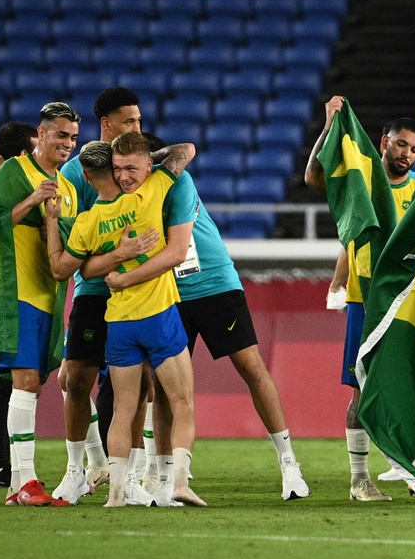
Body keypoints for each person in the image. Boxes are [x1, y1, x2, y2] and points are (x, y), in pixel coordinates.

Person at [126, 132, 310, 501]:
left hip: (213, 284)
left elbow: (184, 151)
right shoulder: (126, 195)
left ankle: (289, 464)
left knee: (251, 368)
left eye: (137, 163)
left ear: (151, 161)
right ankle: (162, 479)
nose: (128, 174)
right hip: (169, 293)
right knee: (162, 387)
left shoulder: (177, 180)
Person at [305, 96, 415, 501]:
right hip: (366, 300)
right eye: (401, 144)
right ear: (383, 142)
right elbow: (314, 178)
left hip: (412, 302)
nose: (407, 154)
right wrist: (331, 124)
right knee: (361, 391)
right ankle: (359, 480)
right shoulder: (361, 181)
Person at [47, 136, 200, 507]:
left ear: (85, 175)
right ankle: (177, 482)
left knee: (123, 408)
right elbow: (186, 151)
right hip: (157, 314)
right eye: (120, 169)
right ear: (113, 171)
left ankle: (116, 491)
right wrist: (150, 162)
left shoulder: (88, 221)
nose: (126, 175)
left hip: (117, 319)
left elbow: (60, 269)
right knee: (182, 402)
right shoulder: (148, 193)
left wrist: (52, 221)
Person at [0, 102, 82, 507]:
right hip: (15, 293)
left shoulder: (67, 187)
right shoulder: (15, 172)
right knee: (25, 382)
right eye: (60, 135)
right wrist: (32, 201)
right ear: (42, 134)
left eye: (72, 137)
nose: (67, 143)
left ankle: (19, 483)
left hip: (47, 294)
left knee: (32, 383)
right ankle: (27, 482)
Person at [50, 88, 154, 504]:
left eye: (140, 122)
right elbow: (75, 247)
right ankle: (78, 470)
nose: (137, 129)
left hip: (140, 287)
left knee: (141, 383)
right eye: (129, 122)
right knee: (75, 378)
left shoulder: (141, 164)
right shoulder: (77, 174)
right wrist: (115, 253)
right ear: (106, 124)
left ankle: (133, 473)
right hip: (93, 290)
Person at [0, 121, 38, 489]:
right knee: (3, 379)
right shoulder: (2, 173)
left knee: (14, 380)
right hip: (4, 289)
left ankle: (6, 468)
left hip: (23, 286)